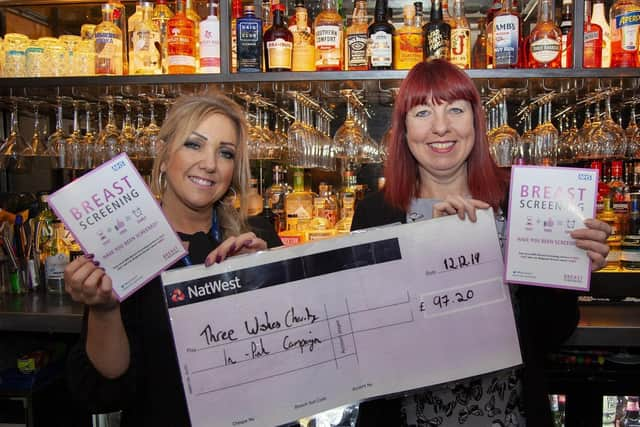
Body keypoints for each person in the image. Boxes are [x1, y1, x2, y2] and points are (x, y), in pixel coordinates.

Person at [351, 60, 611, 427]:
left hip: (505, 416)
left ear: (476, 122)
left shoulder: (519, 203)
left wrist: (569, 266)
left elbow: (552, 332)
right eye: (423, 112)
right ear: (404, 129)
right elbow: (365, 343)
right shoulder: (376, 214)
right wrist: (429, 250)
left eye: (455, 109)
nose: (441, 127)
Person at [65, 93, 280, 426]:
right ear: (163, 157)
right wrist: (104, 309)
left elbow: (290, 358)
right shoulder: (127, 248)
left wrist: (266, 279)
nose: (210, 163)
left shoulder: (256, 238)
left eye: (225, 153)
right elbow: (106, 392)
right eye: (194, 145)